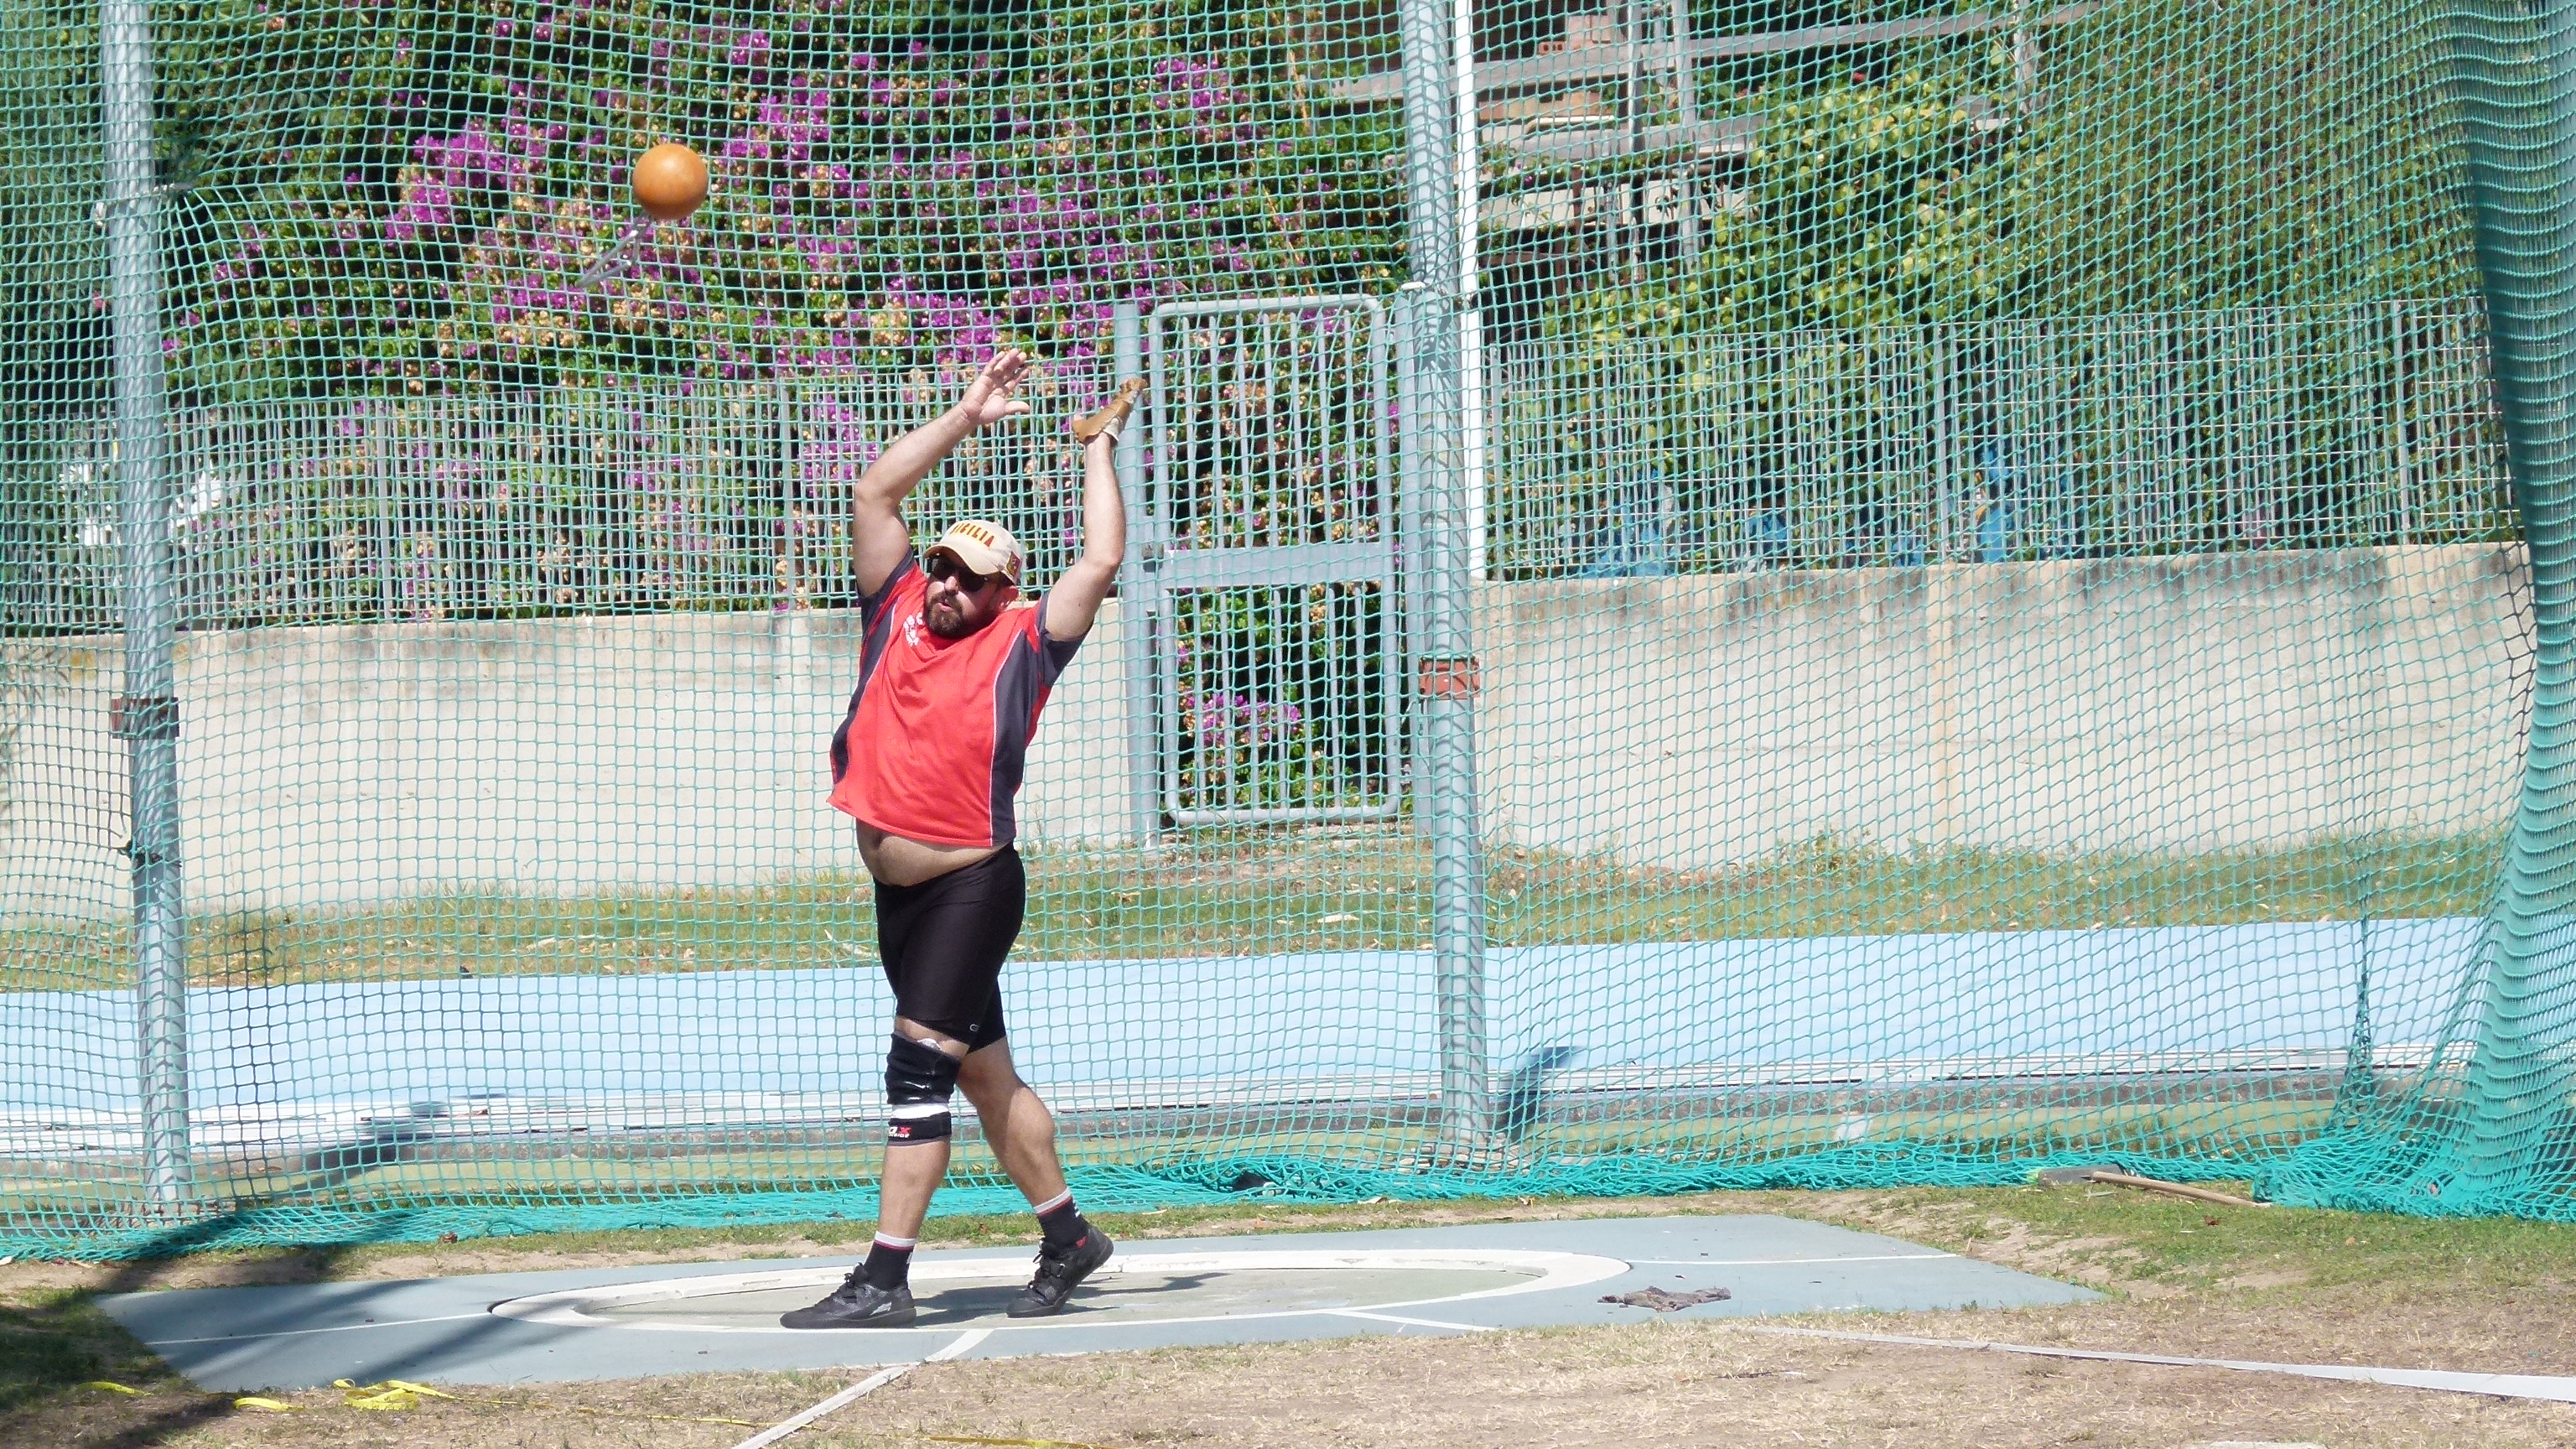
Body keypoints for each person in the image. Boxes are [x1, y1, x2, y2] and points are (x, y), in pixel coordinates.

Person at [783, 350, 1137, 1329]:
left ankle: (884, 1280)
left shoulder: (1022, 645)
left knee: (917, 1074)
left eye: (967, 577)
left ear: (1002, 592)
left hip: (970, 890)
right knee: (985, 1076)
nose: (943, 584)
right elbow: (874, 492)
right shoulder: (894, 608)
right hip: (899, 897)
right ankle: (1071, 1238)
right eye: (940, 565)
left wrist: (1096, 449)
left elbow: (1099, 562)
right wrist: (966, 416)